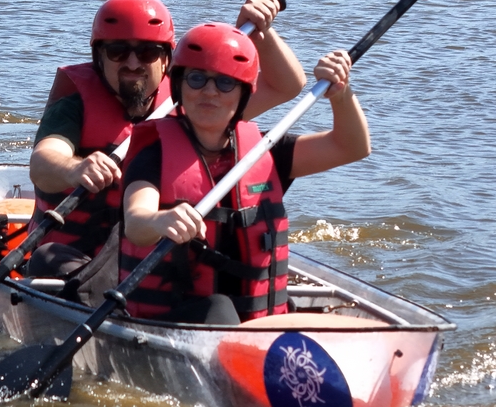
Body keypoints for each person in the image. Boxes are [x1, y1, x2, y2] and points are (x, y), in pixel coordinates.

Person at [23, 0, 304, 298]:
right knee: (47, 257)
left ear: (167, 59)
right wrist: (76, 167)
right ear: (99, 58)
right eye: (118, 51)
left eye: (147, 53)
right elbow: (43, 162)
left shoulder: (194, 99)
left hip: (159, 259)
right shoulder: (74, 104)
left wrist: (259, 34)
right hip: (77, 256)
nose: (133, 63)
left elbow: (286, 86)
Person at [118, 24, 369, 325]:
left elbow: (351, 147)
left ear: (243, 93)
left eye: (225, 83)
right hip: (178, 318)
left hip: (259, 319)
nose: (209, 91)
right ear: (180, 87)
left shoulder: (263, 152)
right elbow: (136, 220)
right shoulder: (153, 155)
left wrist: (341, 98)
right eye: (197, 79)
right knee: (219, 308)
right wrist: (161, 219)